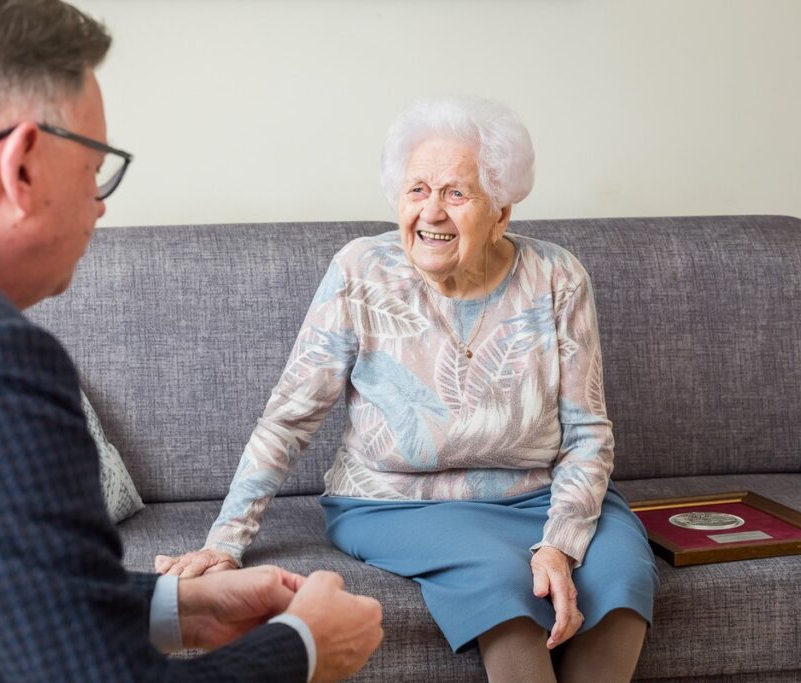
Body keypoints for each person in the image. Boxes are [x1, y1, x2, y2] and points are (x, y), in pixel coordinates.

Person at [0, 1, 382, 681]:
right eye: (96, 168)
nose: (100, 205)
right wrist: (306, 648)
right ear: (21, 164)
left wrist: (177, 605)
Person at [157, 95, 659, 682]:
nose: (432, 213)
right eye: (417, 190)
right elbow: (289, 419)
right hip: (397, 500)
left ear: (500, 212)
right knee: (503, 580)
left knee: (622, 575)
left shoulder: (557, 277)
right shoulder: (361, 272)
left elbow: (587, 432)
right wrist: (226, 541)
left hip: (540, 495)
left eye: (456, 193)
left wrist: (560, 542)